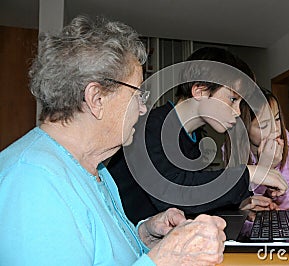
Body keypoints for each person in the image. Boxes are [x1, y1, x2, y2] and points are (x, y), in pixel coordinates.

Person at [0, 15, 227, 265]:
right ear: (97, 98)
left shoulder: (94, 167)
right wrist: (164, 260)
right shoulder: (33, 182)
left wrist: (143, 235)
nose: (143, 109)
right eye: (138, 94)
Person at [108, 47, 288, 224]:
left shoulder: (193, 139)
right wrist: (248, 172)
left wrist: (238, 203)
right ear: (200, 91)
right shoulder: (149, 128)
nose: (237, 112)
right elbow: (170, 194)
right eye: (233, 99)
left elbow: (192, 199)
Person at [229, 90, 289, 210]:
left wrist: (277, 192)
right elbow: (237, 199)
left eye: (277, 119)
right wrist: (265, 168)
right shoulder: (232, 150)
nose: (276, 129)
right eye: (265, 125)